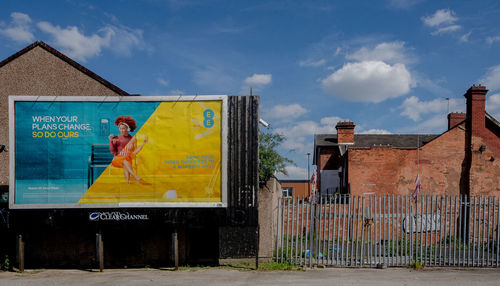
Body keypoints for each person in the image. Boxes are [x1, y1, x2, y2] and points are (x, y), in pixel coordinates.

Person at [109, 116, 148, 183]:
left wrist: (143, 144)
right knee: (124, 160)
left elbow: (135, 152)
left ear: (128, 128)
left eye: (124, 128)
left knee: (126, 162)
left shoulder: (133, 139)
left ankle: (127, 181)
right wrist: (111, 141)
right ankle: (136, 177)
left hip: (127, 159)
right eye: (120, 128)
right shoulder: (116, 137)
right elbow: (112, 151)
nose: (122, 130)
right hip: (117, 159)